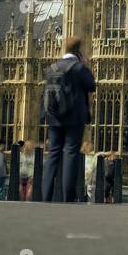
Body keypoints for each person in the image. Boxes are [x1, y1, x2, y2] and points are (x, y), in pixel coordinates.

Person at [40, 36, 97, 202]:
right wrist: (85, 64)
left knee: (53, 154)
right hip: (73, 118)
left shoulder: (53, 67)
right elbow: (91, 86)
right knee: (71, 152)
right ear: (78, 51)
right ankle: (68, 197)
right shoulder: (78, 68)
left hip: (54, 118)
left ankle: (45, 195)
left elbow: (46, 93)